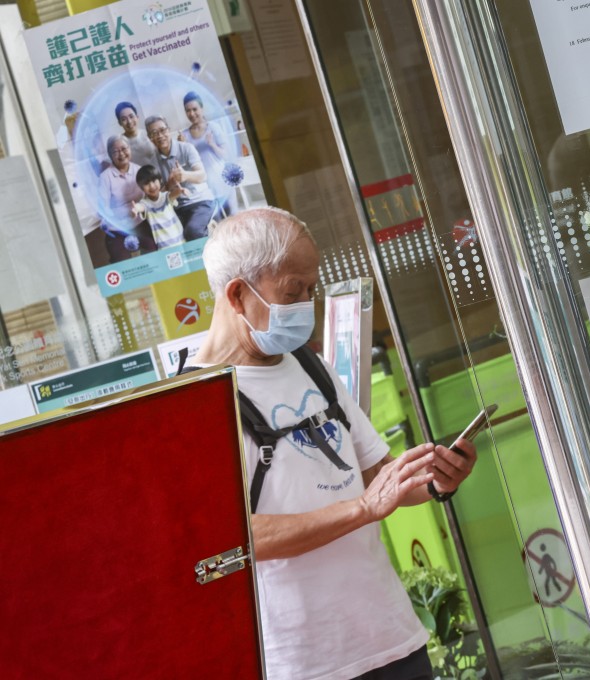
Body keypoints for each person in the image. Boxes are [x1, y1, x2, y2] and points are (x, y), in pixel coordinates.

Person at [193, 207, 478, 680]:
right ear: (238, 294)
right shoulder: (197, 405)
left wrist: (434, 481)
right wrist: (362, 510)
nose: (307, 304)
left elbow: (379, 479)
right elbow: (236, 537)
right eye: (293, 291)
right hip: (305, 663)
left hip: (392, 639)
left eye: (311, 289)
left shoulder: (309, 366)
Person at [145, 114, 216, 240]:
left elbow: (202, 176)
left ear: (168, 129)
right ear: (150, 138)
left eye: (162, 130)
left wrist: (185, 175)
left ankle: (212, 245)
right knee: (168, 236)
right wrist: (168, 185)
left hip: (200, 201)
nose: (160, 136)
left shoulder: (186, 148)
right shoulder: (152, 163)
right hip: (176, 207)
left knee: (193, 232)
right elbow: (156, 196)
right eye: (154, 133)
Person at [97, 135, 156, 262]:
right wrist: (125, 213)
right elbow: (102, 209)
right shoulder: (105, 177)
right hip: (117, 228)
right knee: (121, 260)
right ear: (110, 155)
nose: (121, 154)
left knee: (153, 247)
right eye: (116, 151)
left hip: (140, 223)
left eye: (124, 149)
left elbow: (148, 198)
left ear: (130, 149)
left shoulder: (138, 170)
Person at [180, 91, 235, 217]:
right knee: (216, 224)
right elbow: (185, 166)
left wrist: (212, 144)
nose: (192, 114)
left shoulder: (213, 127)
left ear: (201, 108)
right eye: (188, 110)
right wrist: (183, 146)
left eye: (195, 109)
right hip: (204, 191)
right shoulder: (184, 135)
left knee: (233, 221)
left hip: (222, 183)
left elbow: (226, 155)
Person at [132, 164, 185, 250]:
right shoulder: (145, 203)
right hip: (164, 245)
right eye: (146, 183)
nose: (152, 186)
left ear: (160, 180)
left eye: (154, 181)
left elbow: (172, 195)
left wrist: (180, 190)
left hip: (179, 238)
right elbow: (141, 206)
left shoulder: (165, 196)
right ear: (141, 188)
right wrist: (135, 209)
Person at [114, 102, 158, 169]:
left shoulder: (148, 133)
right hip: (136, 178)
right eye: (124, 119)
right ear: (120, 123)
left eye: (131, 116)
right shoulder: (119, 143)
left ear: (137, 117)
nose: (129, 122)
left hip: (158, 174)